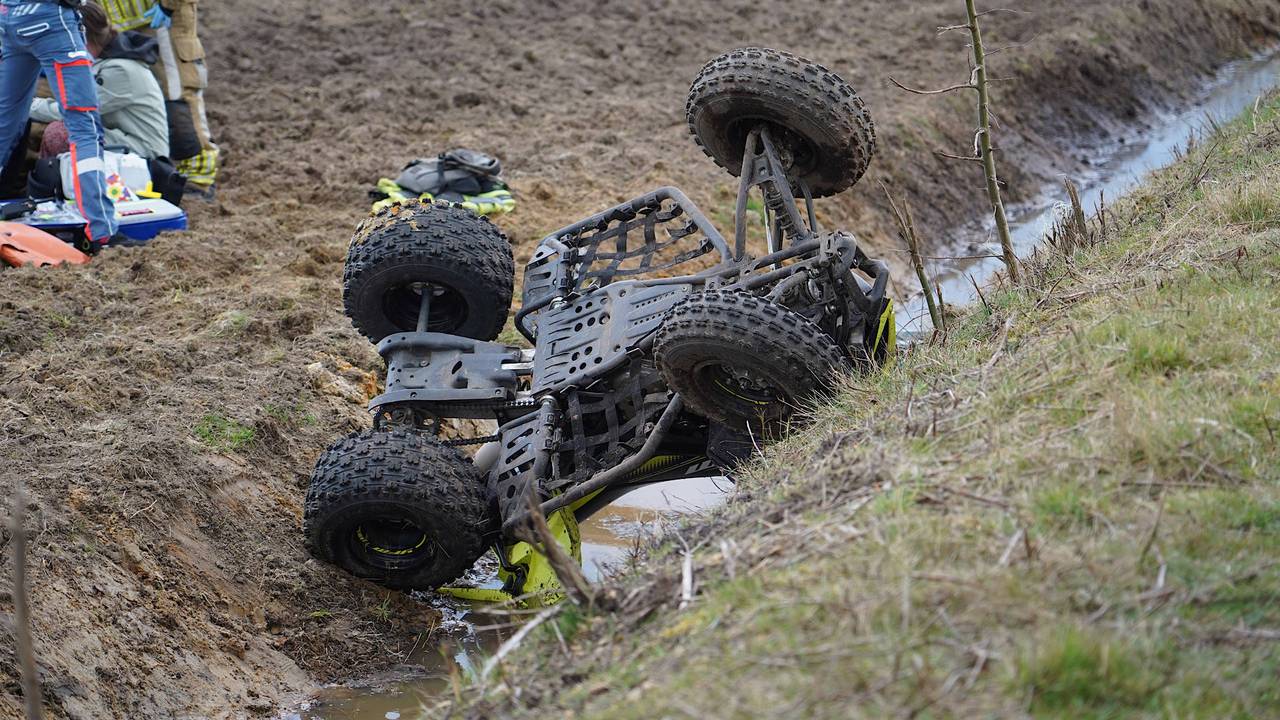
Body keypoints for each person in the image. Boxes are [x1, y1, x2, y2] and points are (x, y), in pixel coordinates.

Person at [0, 0, 121, 250]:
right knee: (84, 126)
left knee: (4, 123)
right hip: (50, 20)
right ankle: (100, 229)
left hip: (9, 17)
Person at [100, 0, 216, 195]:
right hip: (112, 27)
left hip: (162, 19)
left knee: (178, 96)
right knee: (133, 99)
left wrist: (167, 6)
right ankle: (150, 172)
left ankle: (198, 179)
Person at [29, 0, 168, 160]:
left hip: (144, 152)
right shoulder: (102, 62)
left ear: (82, 36)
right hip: (119, 138)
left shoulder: (119, 70)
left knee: (60, 133)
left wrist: (28, 106)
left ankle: (72, 176)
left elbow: (76, 109)